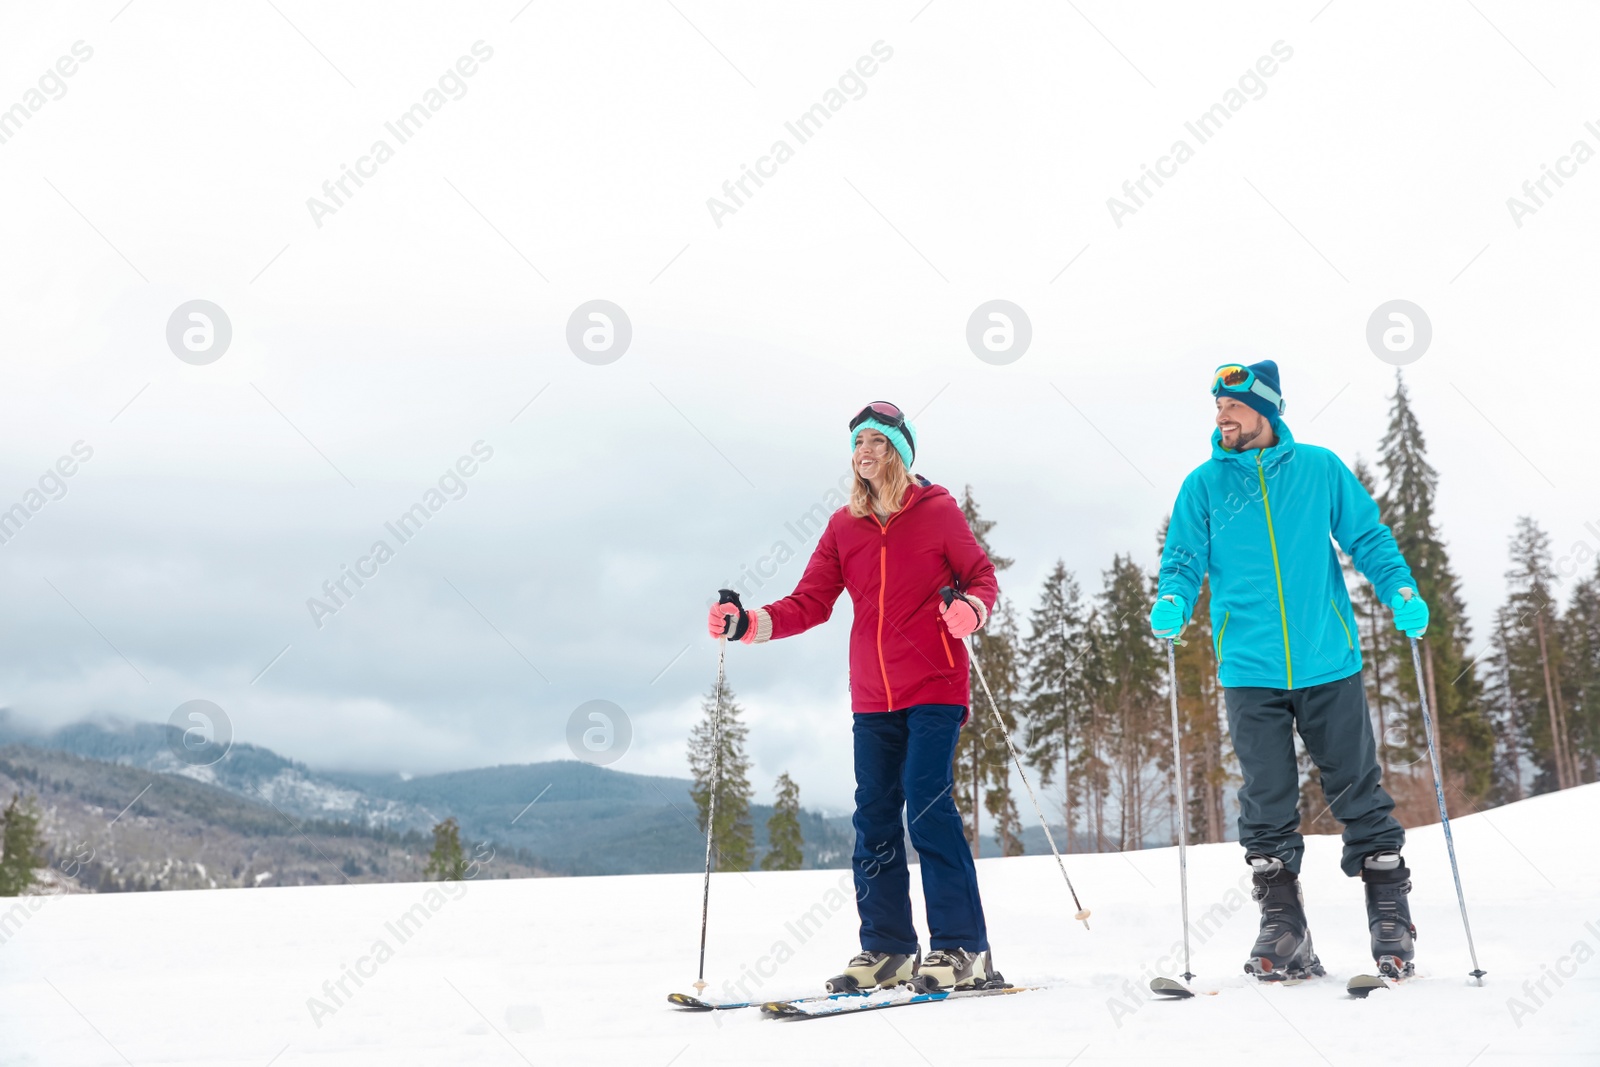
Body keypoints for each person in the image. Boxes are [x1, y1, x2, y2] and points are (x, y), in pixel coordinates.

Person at [706, 401, 1002, 992]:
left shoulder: (938, 511)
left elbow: (982, 577)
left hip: (936, 687)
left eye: (877, 442)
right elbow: (810, 601)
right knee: (873, 818)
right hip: (872, 696)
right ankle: (888, 948)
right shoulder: (845, 525)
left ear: (900, 452)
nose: (864, 452)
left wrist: (971, 609)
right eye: (858, 443)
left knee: (926, 806)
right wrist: (747, 622)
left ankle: (962, 948)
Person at [1151, 361, 1430, 981]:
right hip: (1249, 668)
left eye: (1233, 407)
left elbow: (1369, 540)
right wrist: (1174, 597)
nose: (1221, 417)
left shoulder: (1319, 470)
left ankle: (1389, 914)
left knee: (1358, 788)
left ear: (1265, 412)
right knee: (1266, 795)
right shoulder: (1203, 486)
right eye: (1218, 407)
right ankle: (1284, 926)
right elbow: (1182, 559)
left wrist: (1400, 589)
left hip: (1327, 659)